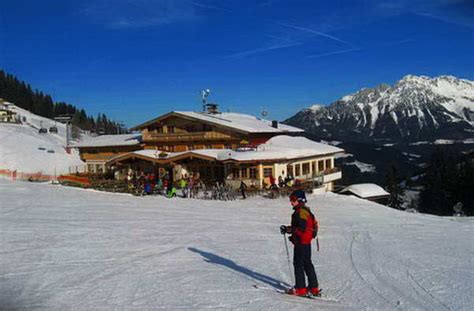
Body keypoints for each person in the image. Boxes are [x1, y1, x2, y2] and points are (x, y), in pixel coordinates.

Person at [280, 190, 319, 297]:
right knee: (307, 263)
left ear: (300, 200)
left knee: (298, 264)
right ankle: (313, 287)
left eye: (293, 200)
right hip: (306, 242)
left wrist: (288, 230)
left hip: (301, 242)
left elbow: (301, 227)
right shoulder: (306, 211)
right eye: (290, 200)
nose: (291, 202)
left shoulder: (300, 212)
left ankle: (300, 288)